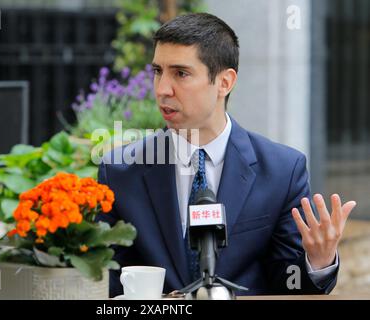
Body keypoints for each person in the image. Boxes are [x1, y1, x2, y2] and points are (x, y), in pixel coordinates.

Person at [97, 13, 356, 297]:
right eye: (158, 71)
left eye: (180, 73)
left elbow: (288, 284)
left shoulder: (283, 171)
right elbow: (107, 283)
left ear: (224, 82)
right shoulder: (120, 171)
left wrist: (318, 261)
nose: (162, 89)